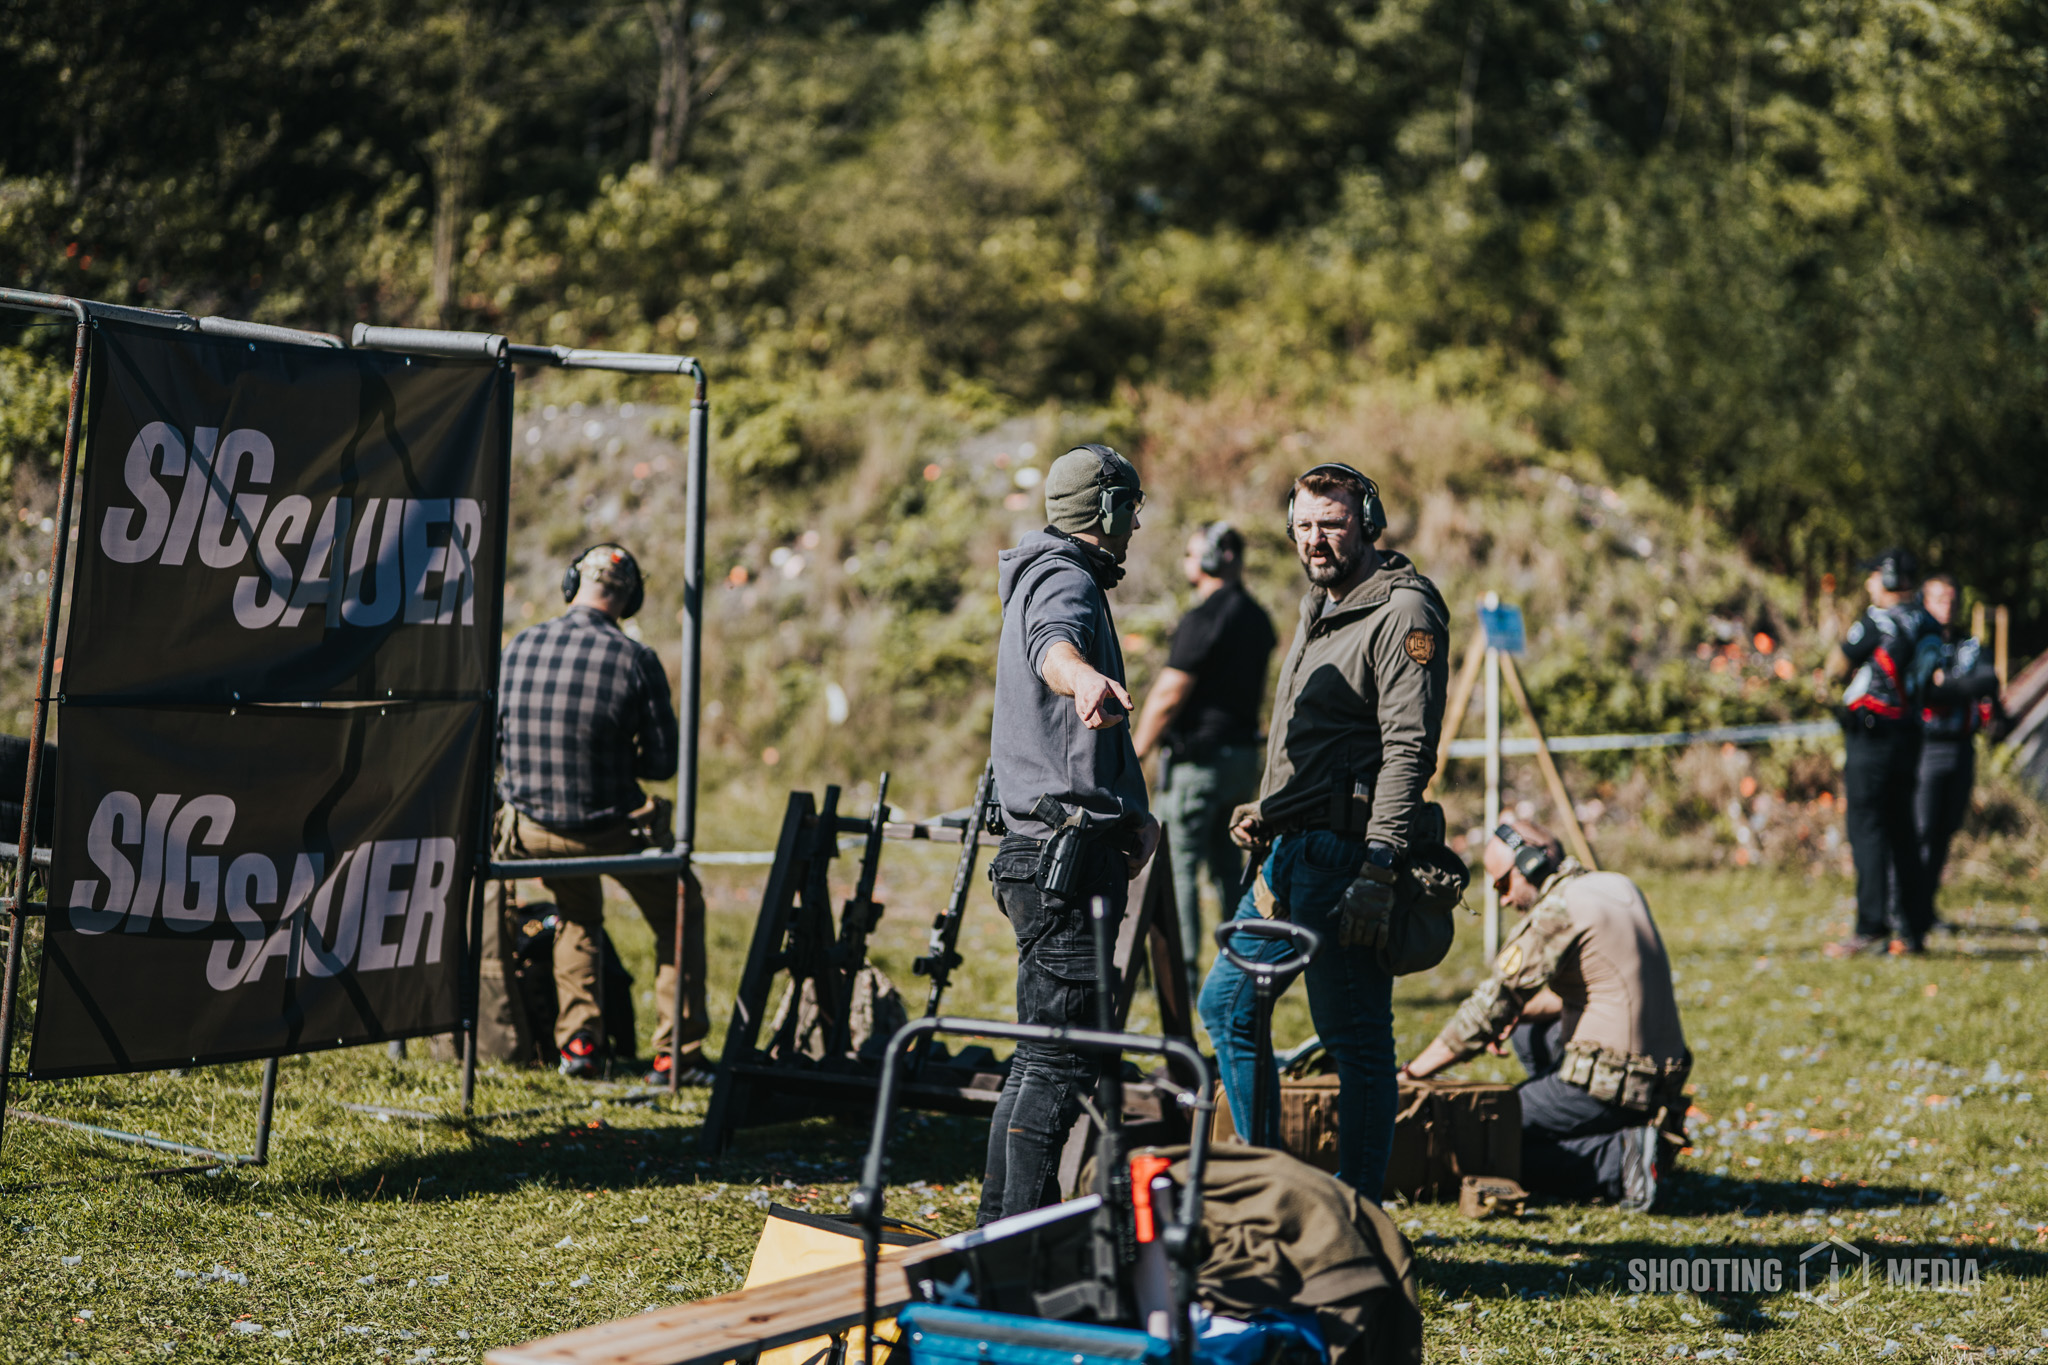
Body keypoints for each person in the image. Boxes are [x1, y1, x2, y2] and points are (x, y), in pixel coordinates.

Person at [1203, 462, 1449, 1202]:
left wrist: (1379, 867)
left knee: (1356, 1042)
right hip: (1289, 851)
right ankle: (1270, 1191)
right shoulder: (1322, 599)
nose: (1316, 539)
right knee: (1228, 1006)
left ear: (1367, 522)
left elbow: (1408, 750)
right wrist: (1269, 808)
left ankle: (1357, 1209)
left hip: (1345, 857)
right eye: (1305, 525)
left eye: (1333, 524)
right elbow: (1313, 736)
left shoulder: (1403, 613)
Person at [981, 443, 1161, 1223]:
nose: (1136, 525)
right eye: (1131, 508)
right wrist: (1081, 674)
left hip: (1047, 849)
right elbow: (1054, 646)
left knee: (1040, 1054)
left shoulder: (1042, 570)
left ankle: (1005, 1223)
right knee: (1061, 1058)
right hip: (1064, 857)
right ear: (1110, 511)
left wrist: (1133, 805)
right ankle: (1016, 1235)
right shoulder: (1065, 579)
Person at [497, 543, 710, 1082]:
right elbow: (663, 762)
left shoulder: (519, 646)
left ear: (572, 586)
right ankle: (675, 1054)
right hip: (607, 829)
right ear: (629, 600)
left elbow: (498, 742)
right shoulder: (636, 660)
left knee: (579, 917)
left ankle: (581, 1049)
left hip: (534, 829)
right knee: (681, 909)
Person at [1401, 820, 1689, 1211]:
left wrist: (1415, 1073)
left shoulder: (1557, 910)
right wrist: (1513, 1019)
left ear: (1530, 863)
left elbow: (1489, 1008)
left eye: (1502, 884)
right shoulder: (1614, 884)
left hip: (1615, 1082)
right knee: (1524, 1032)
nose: (1502, 899)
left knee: (1486, 1137)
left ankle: (1620, 1162)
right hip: (1661, 1080)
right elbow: (1588, 992)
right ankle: (1615, 1134)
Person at [1132, 522, 1278, 1005]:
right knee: (1228, 873)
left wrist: (1135, 752)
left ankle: (1185, 984)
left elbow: (1170, 694)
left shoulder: (1205, 617)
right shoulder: (1257, 618)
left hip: (1197, 766)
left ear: (1220, 556)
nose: (1187, 563)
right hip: (1239, 763)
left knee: (1177, 873)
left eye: (1194, 553)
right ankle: (1235, 976)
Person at [1824, 548, 1937, 958]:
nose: (1869, 584)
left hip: (1872, 739)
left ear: (1889, 579)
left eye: (1873, 575)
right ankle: (1913, 927)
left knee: (1867, 829)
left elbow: (1840, 662)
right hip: (1910, 737)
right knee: (1903, 831)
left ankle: (1871, 925)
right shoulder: (1929, 623)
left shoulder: (1876, 621)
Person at [1912, 572, 2000, 921]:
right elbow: (1925, 690)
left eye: (1951, 599)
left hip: (1961, 747)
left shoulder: (1970, 644)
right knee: (1920, 830)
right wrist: (1962, 685)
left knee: (1944, 831)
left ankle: (1926, 906)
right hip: (1924, 749)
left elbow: (1989, 679)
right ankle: (1907, 907)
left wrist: (1948, 682)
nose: (1946, 606)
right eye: (1938, 598)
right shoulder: (1918, 643)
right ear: (1924, 602)